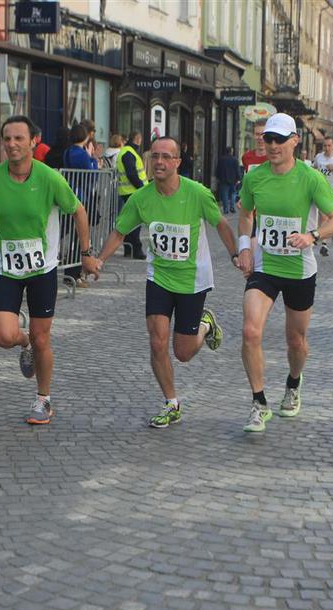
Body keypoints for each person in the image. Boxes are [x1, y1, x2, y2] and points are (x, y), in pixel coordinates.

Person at [95, 136, 239, 428]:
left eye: (165, 157)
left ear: (177, 162)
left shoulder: (197, 193)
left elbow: (222, 224)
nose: (159, 162)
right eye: (155, 156)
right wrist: (99, 260)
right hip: (159, 277)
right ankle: (171, 403)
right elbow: (119, 232)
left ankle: (205, 324)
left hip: (192, 280)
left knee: (182, 353)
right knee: (157, 340)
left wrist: (236, 255)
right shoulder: (141, 198)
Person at [0, 115, 100, 425]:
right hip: (6, 268)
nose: (12, 144)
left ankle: (43, 399)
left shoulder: (49, 178)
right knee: (3, 336)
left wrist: (85, 254)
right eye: (7, 138)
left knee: (43, 339)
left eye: (19, 138)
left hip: (42, 269)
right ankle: (23, 342)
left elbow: (79, 210)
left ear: (33, 142)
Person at [236, 113, 333, 433]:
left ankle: (294, 382)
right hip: (265, 267)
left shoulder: (310, 178)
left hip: (299, 270)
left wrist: (312, 236)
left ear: (294, 141)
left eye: (279, 140)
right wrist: (244, 248)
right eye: (268, 139)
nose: (272, 146)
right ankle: (259, 403)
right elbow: (245, 214)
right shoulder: (255, 177)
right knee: (250, 331)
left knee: (295, 340)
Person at [61, 123, 98, 288]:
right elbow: (92, 177)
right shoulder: (81, 154)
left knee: (71, 234)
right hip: (80, 198)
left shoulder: (68, 151)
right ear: (85, 136)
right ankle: (73, 274)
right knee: (78, 237)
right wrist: (93, 160)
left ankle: (72, 272)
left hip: (71, 195)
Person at [116, 131, 148, 258]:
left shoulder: (126, 151)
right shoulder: (129, 153)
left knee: (130, 221)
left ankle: (129, 248)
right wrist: (141, 188)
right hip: (133, 191)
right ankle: (136, 249)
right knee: (135, 223)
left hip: (128, 191)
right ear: (138, 139)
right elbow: (132, 174)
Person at [216, 147, 241, 215]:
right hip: (233, 180)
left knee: (225, 195)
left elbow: (218, 169)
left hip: (223, 179)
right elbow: (237, 170)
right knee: (233, 193)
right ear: (231, 151)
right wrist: (239, 178)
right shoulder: (235, 159)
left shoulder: (221, 159)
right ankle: (232, 207)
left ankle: (226, 209)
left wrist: (218, 177)